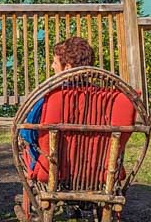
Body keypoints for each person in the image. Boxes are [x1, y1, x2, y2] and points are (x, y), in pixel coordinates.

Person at [19, 37, 94, 172]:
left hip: (54, 168)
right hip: (94, 168)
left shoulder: (52, 96)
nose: (52, 66)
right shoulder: (104, 97)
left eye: (55, 63)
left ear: (68, 68)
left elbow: (28, 133)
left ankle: (29, 188)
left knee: (26, 139)